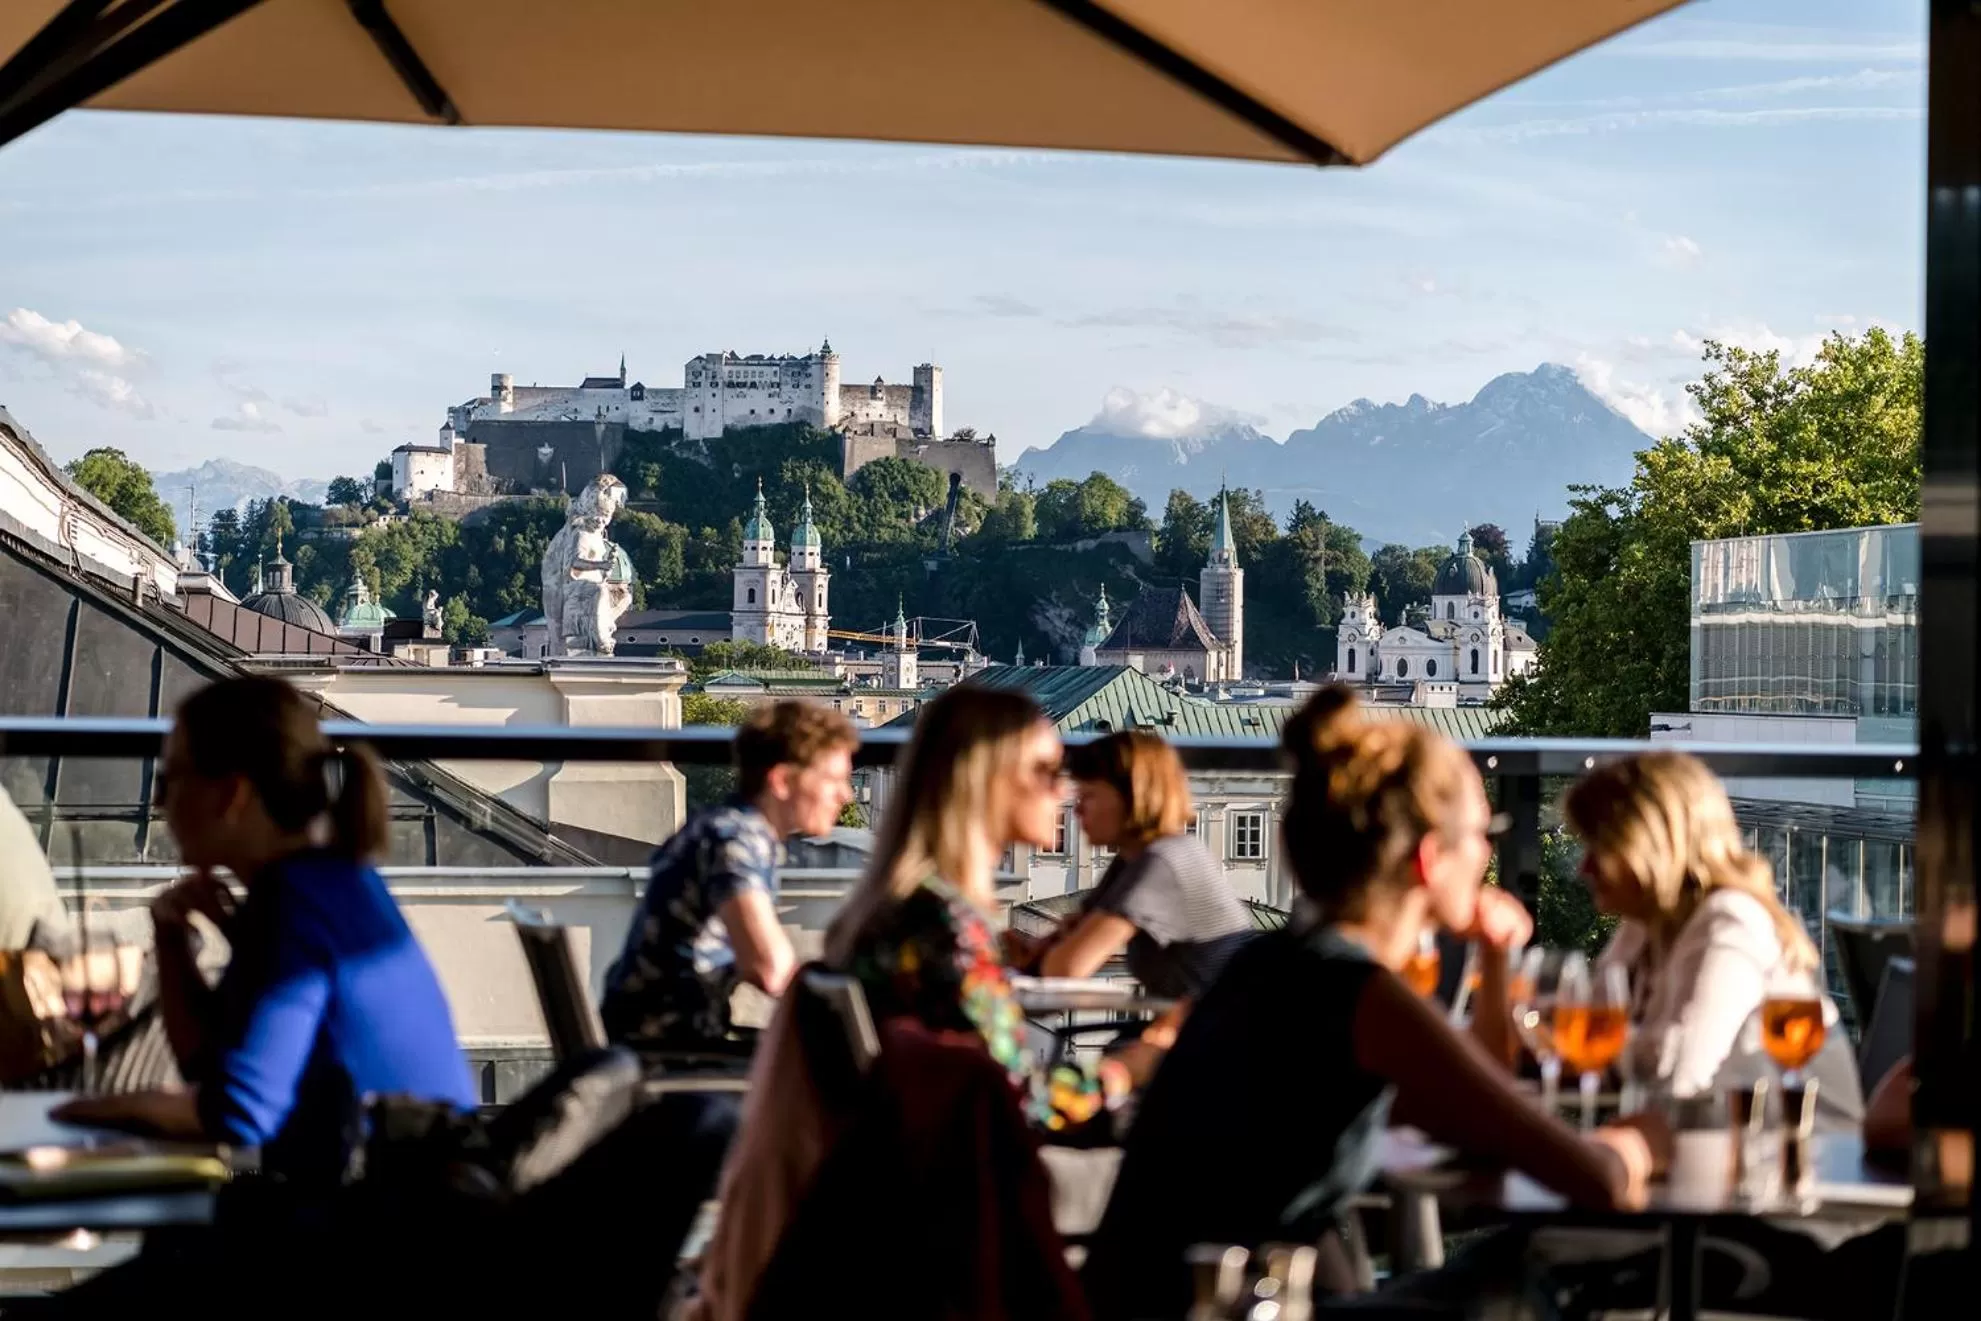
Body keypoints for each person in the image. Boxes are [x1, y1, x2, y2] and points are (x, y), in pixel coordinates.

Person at [1082, 687, 1665, 1321]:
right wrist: (1649, 1140)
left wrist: (1495, 958)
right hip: (1215, 1306)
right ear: (1429, 858)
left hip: (1147, 1296)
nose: (1490, 853)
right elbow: (1590, 1179)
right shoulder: (1360, 994)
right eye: (1481, 832)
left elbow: (1471, 1100)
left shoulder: (1272, 962)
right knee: (1543, 1270)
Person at [688, 685, 1100, 1321]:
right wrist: (1130, 1070)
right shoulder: (946, 933)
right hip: (954, 1219)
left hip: (888, 1221)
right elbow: (1009, 1106)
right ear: (985, 781)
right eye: (1046, 770)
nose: (1064, 789)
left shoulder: (891, 918)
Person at [52, 676, 474, 1184]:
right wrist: (171, 938)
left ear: (231, 794)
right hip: (425, 1203)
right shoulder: (331, 881)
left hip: (381, 1221)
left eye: (171, 780)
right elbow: (210, 1070)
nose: (160, 802)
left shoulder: (293, 906)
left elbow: (239, 1112)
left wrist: (85, 1112)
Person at [1565, 750, 1863, 1124]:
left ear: (1650, 847)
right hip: (1719, 1154)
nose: (1584, 867)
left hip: (1812, 1164)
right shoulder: (1646, 922)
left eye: (1601, 848)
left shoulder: (1730, 923)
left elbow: (1680, 1079)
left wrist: (1585, 1040)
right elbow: (1594, 1039)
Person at [600, 699, 857, 1055]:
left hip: (661, 1034)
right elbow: (769, 969)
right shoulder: (737, 840)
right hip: (671, 1048)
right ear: (782, 780)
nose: (846, 795)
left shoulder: (726, 826)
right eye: (834, 780)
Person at [1020, 730, 1252, 1089]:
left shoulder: (1162, 863)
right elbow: (1060, 944)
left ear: (1134, 798)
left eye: (1089, 796)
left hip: (1223, 1055)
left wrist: (1043, 954)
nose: (1077, 810)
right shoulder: (1137, 858)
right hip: (1197, 1039)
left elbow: (1064, 967)